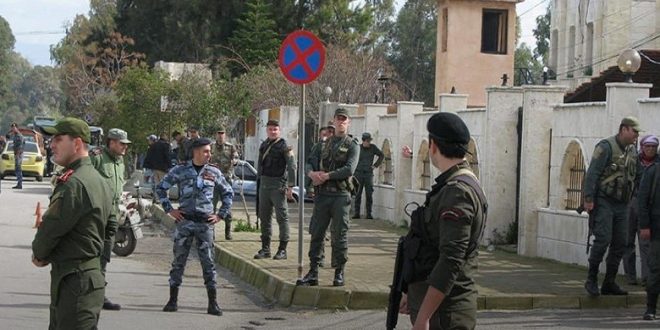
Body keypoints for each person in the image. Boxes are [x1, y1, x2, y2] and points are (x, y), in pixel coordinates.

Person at [398, 112, 487, 330]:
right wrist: (412, 292)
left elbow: (451, 260)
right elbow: (431, 249)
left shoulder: (457, 192)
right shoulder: (455, 185)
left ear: (433, 146)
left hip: (445, 314)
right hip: (439, 309)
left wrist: (424, 317)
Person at [32, 117, 114, 329]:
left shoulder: (74, 184)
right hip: (85, 278)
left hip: (75, 281)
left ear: (76, 144)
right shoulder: (99, 180)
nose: (52, 145)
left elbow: (51, 228)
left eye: (58, 139)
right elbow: (110, 228)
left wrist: (40, 254)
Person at [156, 138, 233, 316]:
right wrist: (169, 209)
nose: (209, 154)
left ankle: (213, 303)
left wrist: (221, 214)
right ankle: (172, 300)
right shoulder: (180, 170)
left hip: (205, 224)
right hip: (185, 222)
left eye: (209, 151)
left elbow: (228, 192)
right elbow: (161, 188)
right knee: (178, 262)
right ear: (195, 152)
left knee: (208, 263)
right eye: (206, 151)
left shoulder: (213, 172)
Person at [298, 108, 359, 287]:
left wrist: (327, 176)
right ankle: (313, 271)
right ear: (333, 120)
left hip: (340, 196)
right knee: (316, 233)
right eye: (338, 118)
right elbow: (308, 161)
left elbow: (349, 169)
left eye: (344, 119)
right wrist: (311, 173)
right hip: (322, 195)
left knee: (339, 235)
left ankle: (339, 271)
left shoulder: (352, 145)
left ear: (348, 122)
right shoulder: (323, 144)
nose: (341, 122)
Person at [582, 116, 641, 296]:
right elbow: (592, 173)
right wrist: (589, 198)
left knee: (620, 243)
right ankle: (591, 279)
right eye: (634, 131)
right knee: (603, 239)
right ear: (624, 129)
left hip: (623, 204)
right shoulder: (606, 147)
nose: (636, 135)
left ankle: (609, 282)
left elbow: (636, 175)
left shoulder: (632, 151)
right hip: (604, 201)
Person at [90, 128, 131, 311]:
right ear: (111, 142)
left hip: (112, 216)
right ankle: (87, 294)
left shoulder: (120, 162)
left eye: (126, 145)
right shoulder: (96, 157)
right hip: (95, 215)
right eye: (122, 144)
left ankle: (99, 295)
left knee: (104, 256)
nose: (125, 148)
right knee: (91, 255)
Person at [254, 120, 296, 260]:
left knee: (282, 218)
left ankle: (282, 250)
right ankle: (265, 249)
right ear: (267, 130)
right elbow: (260, 168)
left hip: (278, 186)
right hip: (264, 185)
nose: (273, 131)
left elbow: (291, 167)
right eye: (270, 129)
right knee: (264, 217)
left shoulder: (284, 147)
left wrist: (290, 186)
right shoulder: (264, 145)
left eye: (275, 129)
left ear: (279, 130)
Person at [624, 135, 659, 286]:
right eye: (647, 146)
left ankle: (646, 276)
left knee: (646, 242)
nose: (650, 149)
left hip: (649, 206)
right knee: (627, 240)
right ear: (642, 147)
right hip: (632, 201)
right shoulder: (633, 161)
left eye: (653, 147)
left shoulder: (657, 164)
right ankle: (630, 275)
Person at [211, 126, 238, 240]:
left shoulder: (230, 147)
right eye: (219, 133)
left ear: (225, 135)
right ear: (216, 135)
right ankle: (210, 232)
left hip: (226, 180)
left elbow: (236, 159)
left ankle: (228, 231)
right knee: (211, 206)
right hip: (213, 180)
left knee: (227, 206)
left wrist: (234, 161)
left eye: (222, 133)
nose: (220, 135)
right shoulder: (211, 146)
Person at [353, 132, 384, 219]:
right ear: (363, 141)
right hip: (358, 173)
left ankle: (369, 213)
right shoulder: (358, 148)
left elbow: (381, 155)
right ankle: (356, 213)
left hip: (368, 173)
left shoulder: (373, 148)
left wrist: (375, 165)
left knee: (369, 194)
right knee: (358, 193)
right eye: (367, 141)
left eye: (369, 141)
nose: (368, 143)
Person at [9, 123, 25, 189]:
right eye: (12, 128)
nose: (12, 129)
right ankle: (18, 183)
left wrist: (17, 155)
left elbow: (20, 146)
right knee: (17, 169)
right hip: (16, 154)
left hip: (19, 154)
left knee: (18, 169)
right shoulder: (15, 135)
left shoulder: (19, 136)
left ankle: (20, 184)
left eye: (14, 127)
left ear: (17, 128)